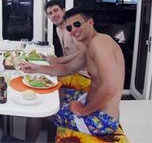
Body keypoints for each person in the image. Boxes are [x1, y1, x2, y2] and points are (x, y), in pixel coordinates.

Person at [21, 7, 125, 136]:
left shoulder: (100, 43)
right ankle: (50, 129)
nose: (73, 30)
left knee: (38, 108)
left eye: (77, 24)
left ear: (90, 23)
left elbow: (110, 88)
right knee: (55, 91)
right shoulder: (91, 45)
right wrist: (36, 67)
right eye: (69, 28)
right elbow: (67, 69)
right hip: (90, 102)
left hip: (102, 120)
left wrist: (84, 110)